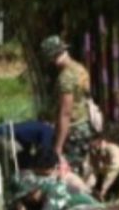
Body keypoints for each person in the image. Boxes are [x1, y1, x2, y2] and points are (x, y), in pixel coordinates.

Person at [39, 35, 97, 178]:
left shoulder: (65, 77)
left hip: (73, 131)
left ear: (51, 57)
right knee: (82, 169)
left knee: (69, 174)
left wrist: (58, 147)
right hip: (85, 125)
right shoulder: (80, 69)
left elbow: (66, 112)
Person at [85, 136, 119, 200]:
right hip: (103, 175)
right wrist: (87, 187)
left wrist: (104, 189)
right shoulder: (93, 151)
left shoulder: (112, 149)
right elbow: (92, 170)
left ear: (101, 142)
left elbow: (114, 170)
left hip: (117, 174)